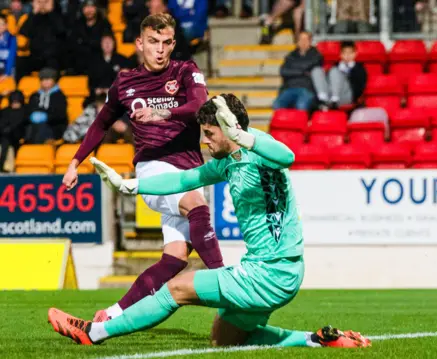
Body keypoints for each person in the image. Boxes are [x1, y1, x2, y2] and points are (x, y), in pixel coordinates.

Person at [48, 94, 372, 349]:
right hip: (281, 273)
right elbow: (185, 179)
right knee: (224, 339)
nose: (205, 141)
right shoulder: (228, 160)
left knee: (176, 288)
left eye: (209, 134)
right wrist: (133, 185)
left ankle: (95, 332)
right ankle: (315, 339)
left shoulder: (259, 149)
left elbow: (288, 156)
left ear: (230, 129)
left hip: (266, 273)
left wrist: (243, 137)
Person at [61, 13, 224, 323]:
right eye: (153, 42)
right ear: (140, 43)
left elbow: (199, 106)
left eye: (165, 43)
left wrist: (161, 112)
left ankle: (111, 314)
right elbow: (101, 123)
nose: (160, 50)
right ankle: (228, 284)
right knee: (197, 206)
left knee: (174, 260)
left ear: (173, 43)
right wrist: (74, 163)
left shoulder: (186, 70)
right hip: (154, 170)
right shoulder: (125, 81)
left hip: (189, 171)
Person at [15, 0, 66, 80]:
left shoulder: (58, 16)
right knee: (21, 62)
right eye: (39, 2)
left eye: (46, 2)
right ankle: (18, 89)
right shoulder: (34, 17)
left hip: (54, 57)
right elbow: (24, 32)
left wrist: (51, 12)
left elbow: (62, 30)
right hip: (36, 56)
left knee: (53, 64)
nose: (42, 5)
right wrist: (34, 13)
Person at [272, 31, 323, 111]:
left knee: (301, 106)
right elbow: (283, 71)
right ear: (297, 41)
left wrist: (293, 68)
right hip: (290, 88)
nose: (303, 42)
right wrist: (303, 72)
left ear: (310, 41)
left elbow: (312, 64)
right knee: (277, 105)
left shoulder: (316, 55)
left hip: (306, 88)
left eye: (306, 39)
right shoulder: (291, 55)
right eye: (301, 39)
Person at [312, 40, 367, 110]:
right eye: (344, 53)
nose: (347, 56)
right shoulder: (335, 65)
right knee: (317, 70)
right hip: (331, 94)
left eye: (350, 53)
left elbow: (360, 87)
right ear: (340, 54)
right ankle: (323, 99)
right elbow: (329, 81)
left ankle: (334, 100)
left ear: (355, 54)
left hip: (347, 95)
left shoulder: (359, 68)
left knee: (335, 71)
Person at [68, 0, 113, 75]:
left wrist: (84, 42)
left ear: (97, 9)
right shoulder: (77, 24)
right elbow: (72, 44)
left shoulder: (104, 24)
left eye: (92, 7)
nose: (89, 10)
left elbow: (107, 44)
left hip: (99, 60)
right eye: (86, 7)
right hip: (80, 61)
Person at [24, 67, 67, 143]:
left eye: (48, 79)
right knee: (29, 129)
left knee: (41, 129)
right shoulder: (34, 95)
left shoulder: (59, 96)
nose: (45, 82)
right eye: (43, 80)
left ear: (54, 81)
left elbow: (61, 114)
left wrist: (46, 117)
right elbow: (28, 110)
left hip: (53, 126)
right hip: (34, 126)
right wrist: (32, 116)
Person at [87, 34, 131, 100]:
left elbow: (126, 82)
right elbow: (91, 82)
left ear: (114, 43)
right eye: (105, 42)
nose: (107, 44)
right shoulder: (94, 61)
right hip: (98, 97)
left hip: (117, 96)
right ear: (101, 44)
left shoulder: (122, 60)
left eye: (109, 41)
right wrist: (97, 90)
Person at [0, 90, 26, 172]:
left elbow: (20, 126)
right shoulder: (5, 111)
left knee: (6, 143)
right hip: (3, 137)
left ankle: (3, 167)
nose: (15, 104)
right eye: (13, 102)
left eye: (17, 102)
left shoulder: (24, 112)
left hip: (15, 138)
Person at [0, 14, 17, 80]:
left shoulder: (12, 39)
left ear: (6, 26)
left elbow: (11, 57)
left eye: (2, 24)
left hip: (8, 71)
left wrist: (7, 73)